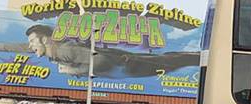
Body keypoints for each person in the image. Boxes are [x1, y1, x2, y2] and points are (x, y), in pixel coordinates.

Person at [24, 24, 199, 78]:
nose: (30, 46)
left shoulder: (64, 50)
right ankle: (203, 57)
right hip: (124, 62)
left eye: (32, 41)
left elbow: (100, 61)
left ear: (45, 40)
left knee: (170, 62)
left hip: (127, 66)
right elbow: (20, 47)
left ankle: (206, 58)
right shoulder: (53, 52)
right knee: (169, 59)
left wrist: (74, 70)